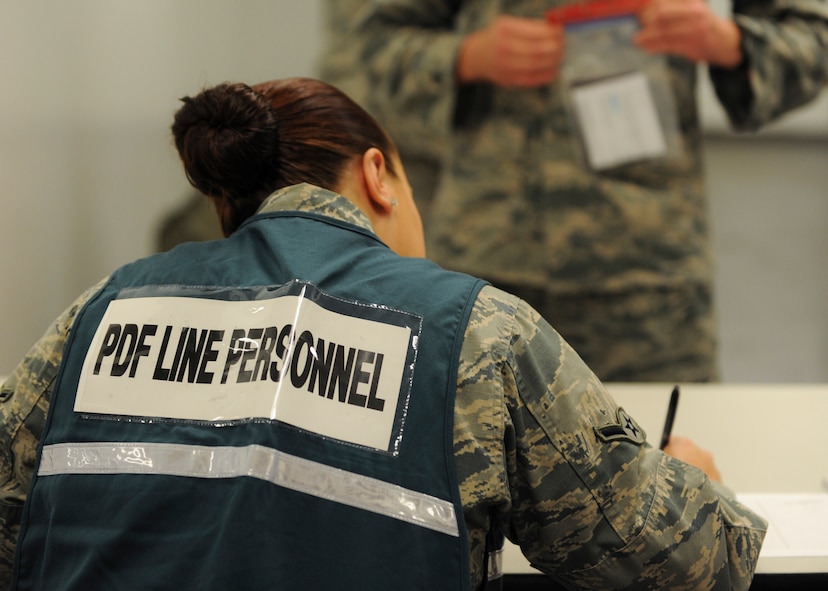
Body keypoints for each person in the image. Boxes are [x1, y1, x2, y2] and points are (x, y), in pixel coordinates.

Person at [0, 77, 765, 591]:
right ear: (377, 175)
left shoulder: (101, 309)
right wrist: (700, 480)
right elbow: (681, 558)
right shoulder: (474, 331)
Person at [318, 0, 828, 383]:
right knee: (467, 491)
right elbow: (368, 47)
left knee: (670, 485)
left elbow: (812, 39)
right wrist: (465, 57)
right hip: (487, 275)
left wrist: (725, 41)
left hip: (649, 286)